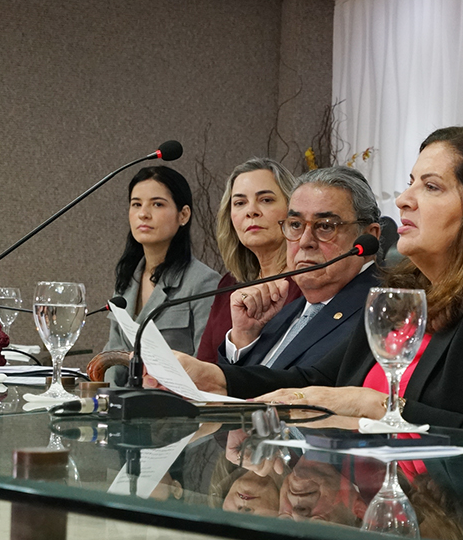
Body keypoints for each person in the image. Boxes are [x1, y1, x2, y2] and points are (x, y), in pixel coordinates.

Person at [179, 127, 463, 438]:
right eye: (411, 182)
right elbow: (311, 380)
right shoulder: (409, 290)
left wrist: (378, 408)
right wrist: (219, 378)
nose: (404, 199)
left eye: (430, 186)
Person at [218, 165, 382, 369]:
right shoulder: (288, 311)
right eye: (295, 224)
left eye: (325, 226)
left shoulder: (380, 313)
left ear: (369, 236)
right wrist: (244, 337)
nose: (305, 241)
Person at [103, 165, 220, 383]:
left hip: (174, 405)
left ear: (183, 215)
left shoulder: (204, 282)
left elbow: (206, 364)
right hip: (121, 406)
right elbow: (113, 357)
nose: (143, 214)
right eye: (136, 204)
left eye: (157, 204)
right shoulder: (127, 279)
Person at [196, 158, 300, 363]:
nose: (251, 211)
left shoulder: (308, 282)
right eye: (240, 203)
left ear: (293, 211)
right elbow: (205, 364)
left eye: (266, 200)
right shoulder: (228, 284)